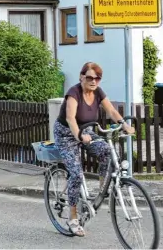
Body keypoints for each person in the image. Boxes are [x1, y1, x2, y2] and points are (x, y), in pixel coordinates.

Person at [54, 62, 135, 237]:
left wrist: (123, 124)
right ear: (81, 77)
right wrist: (79, 136)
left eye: (97, 78)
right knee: (76, 174)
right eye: (89, 77)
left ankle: (101, 188)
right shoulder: (73, 93)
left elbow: (112, 111)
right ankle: (73, 217)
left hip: (87, 131)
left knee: (107, 150)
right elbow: (70, 118)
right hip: (67, 134)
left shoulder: (98, 92)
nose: (93, 81)